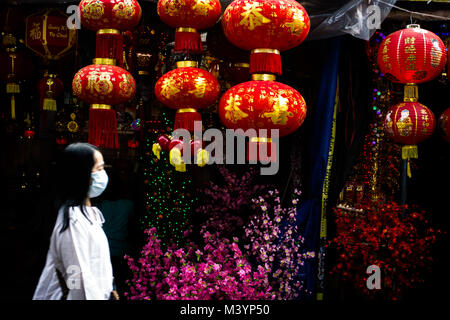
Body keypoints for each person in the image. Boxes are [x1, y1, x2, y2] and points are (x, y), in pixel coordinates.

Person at [32, 143, 116, 300]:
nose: (103, 175)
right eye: (98, 169)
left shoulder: (89, 214)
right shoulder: (73, 221)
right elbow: (77, 279)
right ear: (82, 176)